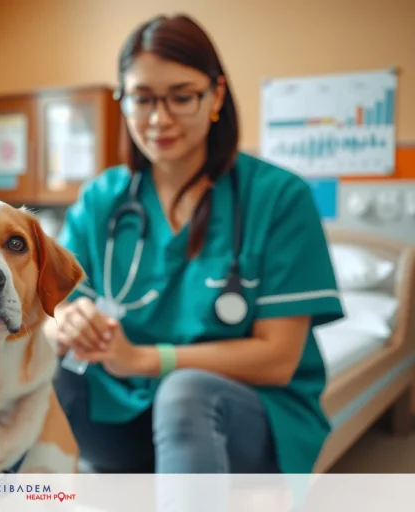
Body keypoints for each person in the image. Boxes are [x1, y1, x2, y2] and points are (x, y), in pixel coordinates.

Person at [45, 14, 344, 475]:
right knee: (36, 375)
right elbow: (51, 315)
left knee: (184, 392)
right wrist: (67, 323)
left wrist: (145, 359)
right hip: (123, 409)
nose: (159, 119)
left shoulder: (279, 198)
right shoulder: (102, 200)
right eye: (142, 99)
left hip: (241, 413)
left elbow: (279, 358)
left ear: (216, 96)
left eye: (181, 97)